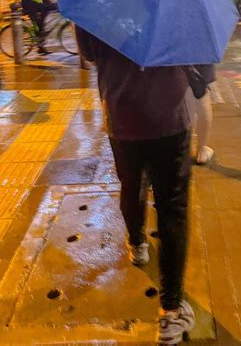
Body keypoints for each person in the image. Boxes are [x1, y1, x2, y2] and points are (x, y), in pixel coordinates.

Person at [75, 26, 196, 345]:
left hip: (121, 112)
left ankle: (137, 243)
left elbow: (89, 54)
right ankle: (171, 312)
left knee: (130, 183)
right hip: (169, 114)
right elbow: (191, 46)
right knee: (173, 209)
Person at [186, 65, 216, 164]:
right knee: (202, 96)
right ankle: (202, 150)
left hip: (170, 62)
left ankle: (183, 145)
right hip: (200, 61)